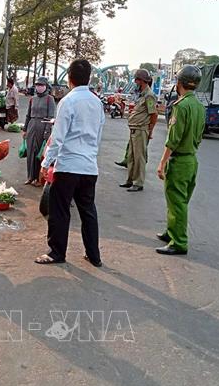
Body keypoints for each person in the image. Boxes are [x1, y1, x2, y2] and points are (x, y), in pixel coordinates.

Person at [34, 59, 105, 266]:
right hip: (89, 167)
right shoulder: (97, 102)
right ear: (89, 78)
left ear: (69, 78)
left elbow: (58, 137)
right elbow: (98, 135)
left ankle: (57, 252)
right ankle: (94, 255)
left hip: (68, 166)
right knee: (88, 210)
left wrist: (46, 163)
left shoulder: (68, 101)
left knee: (60, 210)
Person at [156, 65, 205, 256]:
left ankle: (179, 242)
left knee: (177, 202)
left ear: (179, 83)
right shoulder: (199, 107)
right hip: (192, 159)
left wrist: (162, 163)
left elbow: (173, 139)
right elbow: (199, 135)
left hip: (180, 160)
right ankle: (172, 232)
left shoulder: (181, 105)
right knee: (179, 200)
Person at [119, 69, 158, 191]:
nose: (135, 83)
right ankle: (130, 180)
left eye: (137, 80)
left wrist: (150, 131)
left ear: (142, 81)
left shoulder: (149, 95)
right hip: (134, 129)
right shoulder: (141, 94)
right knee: (131, 157)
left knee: (139, 157)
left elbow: (154, 115)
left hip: (141, 130)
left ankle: (138, 183)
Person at [23, 76, 56, 186]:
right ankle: (30, 177)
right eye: (37, 85)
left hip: (43, 126)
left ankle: (38, 178)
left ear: (46, 86)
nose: (39, 87)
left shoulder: (49, 99)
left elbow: (51, 116)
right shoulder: (33, 99)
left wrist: (47, 132)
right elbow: (28, 115)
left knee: (39, 153)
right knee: (30, 152)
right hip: (32, 126)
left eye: (41, 85)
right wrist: (25, 129)